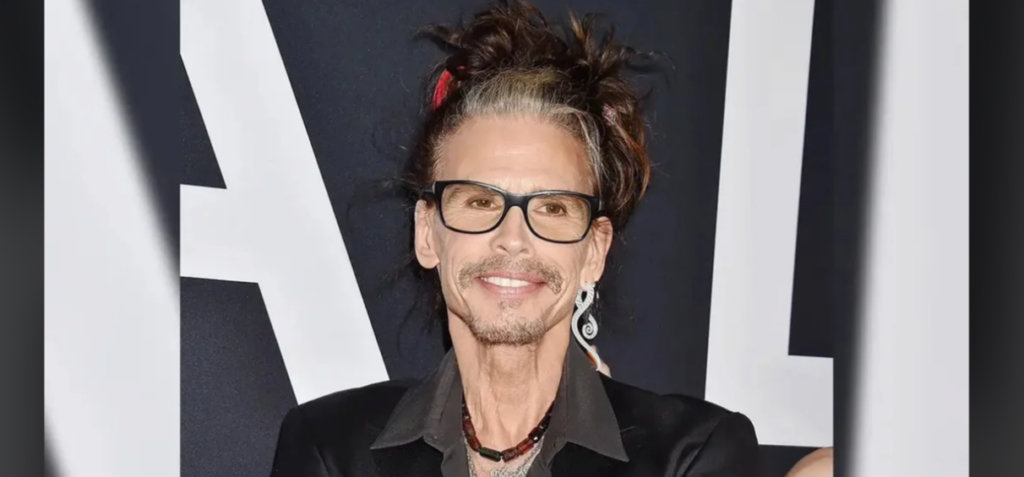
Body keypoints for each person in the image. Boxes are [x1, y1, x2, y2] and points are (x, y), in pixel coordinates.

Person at [269, 1, 758, 475]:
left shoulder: (690, 455)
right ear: (427, 233)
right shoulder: (330, 449)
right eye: (480, 201)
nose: (513, 238)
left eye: (552, 208)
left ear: (594, 251)